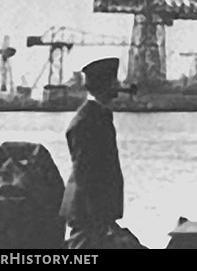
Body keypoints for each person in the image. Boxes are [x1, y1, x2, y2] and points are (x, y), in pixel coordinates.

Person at [60, 58, 144, 249]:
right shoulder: (89, 120)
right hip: (89, 208)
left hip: (92, 206)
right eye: (113, 82)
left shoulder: (94, 116)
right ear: (104, 85)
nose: (118, 86)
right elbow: (85, 170)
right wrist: (97, 211)